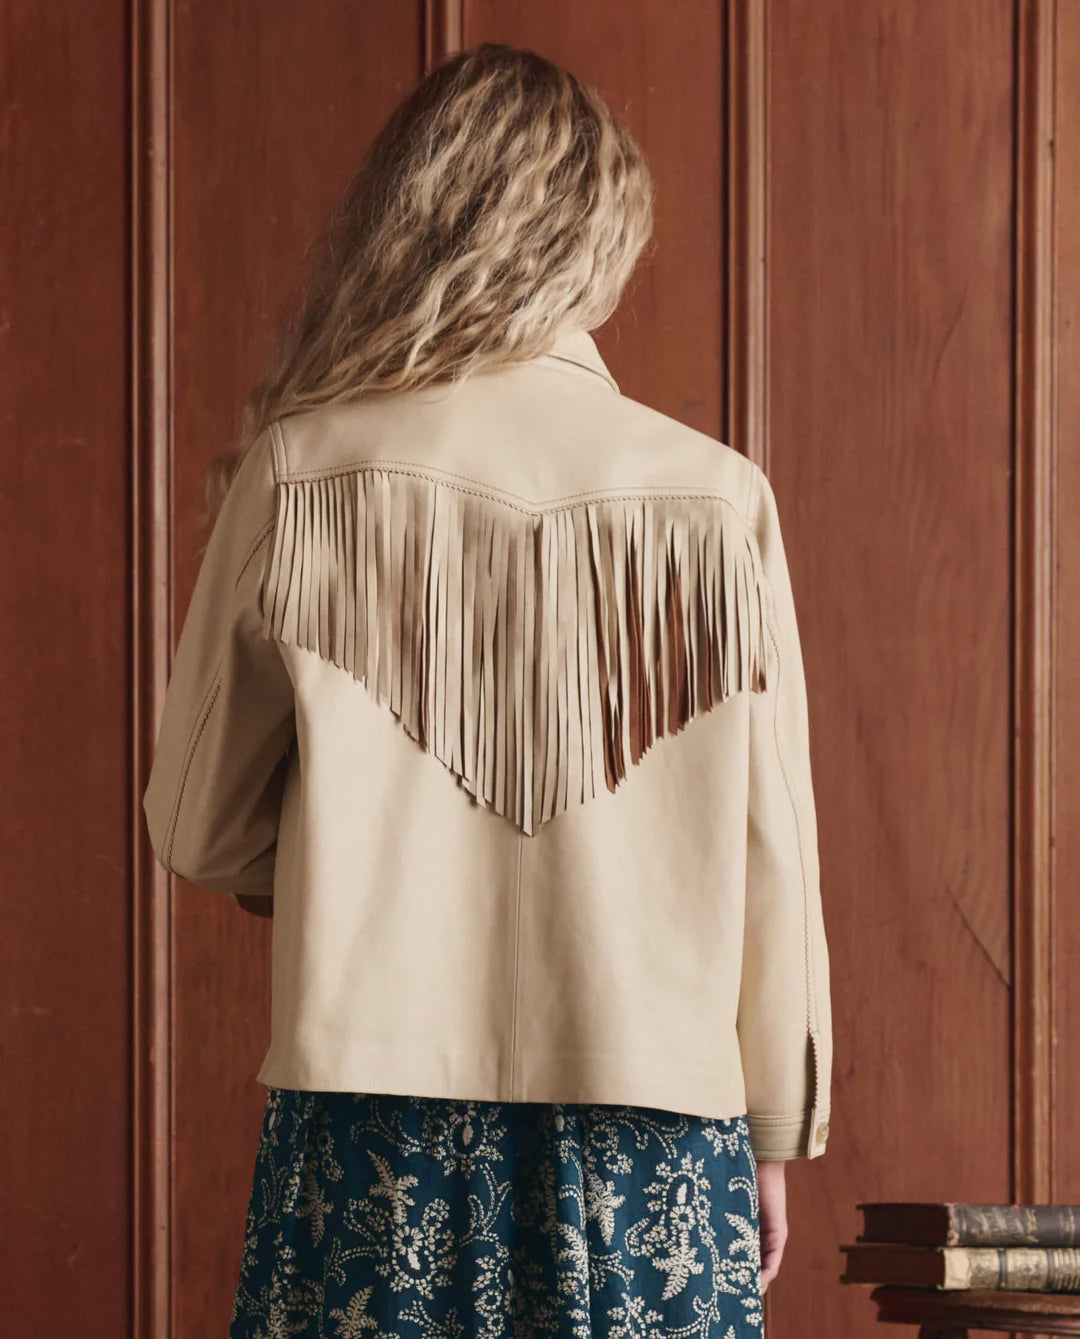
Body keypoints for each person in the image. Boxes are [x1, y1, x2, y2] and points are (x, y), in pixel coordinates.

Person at [143, 41, 832, 1338]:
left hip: (371, 1121)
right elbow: (770, 858)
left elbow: (200, 828)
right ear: (601, 239)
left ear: (406, 224)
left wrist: (368, 838)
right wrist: (777, 1134)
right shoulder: (715, 497)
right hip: (657, 1134)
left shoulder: (304, 469)